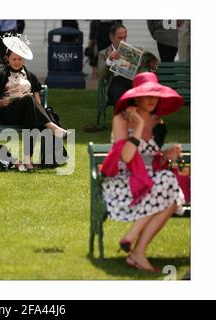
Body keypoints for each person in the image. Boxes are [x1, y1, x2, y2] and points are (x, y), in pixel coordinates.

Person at [100, 72, 186, 272]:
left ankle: (137, 251)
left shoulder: (158, 121)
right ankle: (133, 242)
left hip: (151, 182)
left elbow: (154, 158)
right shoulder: (121, 119)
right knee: (169, 188)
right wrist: (137, 125)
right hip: (123, 183)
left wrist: (167, 155)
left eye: (154, 95)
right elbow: (128, 158)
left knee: (171, 196)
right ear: (136, 97)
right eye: (147, 95)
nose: (151, 100)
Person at [0, 36, 68, 171]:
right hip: (7, 112)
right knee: (28, 99)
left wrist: (38, 111)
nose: (17, 62)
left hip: (27, 112)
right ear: (7, 58)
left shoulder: (31, 76)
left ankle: (27, 159)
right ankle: (53, 128)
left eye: (20, 59)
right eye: (14, 59)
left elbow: (37, 102)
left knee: (30, 106)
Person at [98, 24, 133, 108]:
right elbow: (102, 75)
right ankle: (120, 119)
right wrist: (109, 59)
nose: (123, 41)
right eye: (120, 38)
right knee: (119, 93)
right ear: (111, 38)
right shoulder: (103, 53)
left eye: (125, 37)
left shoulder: (134, 50)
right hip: (115, 83)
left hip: (132, 81)